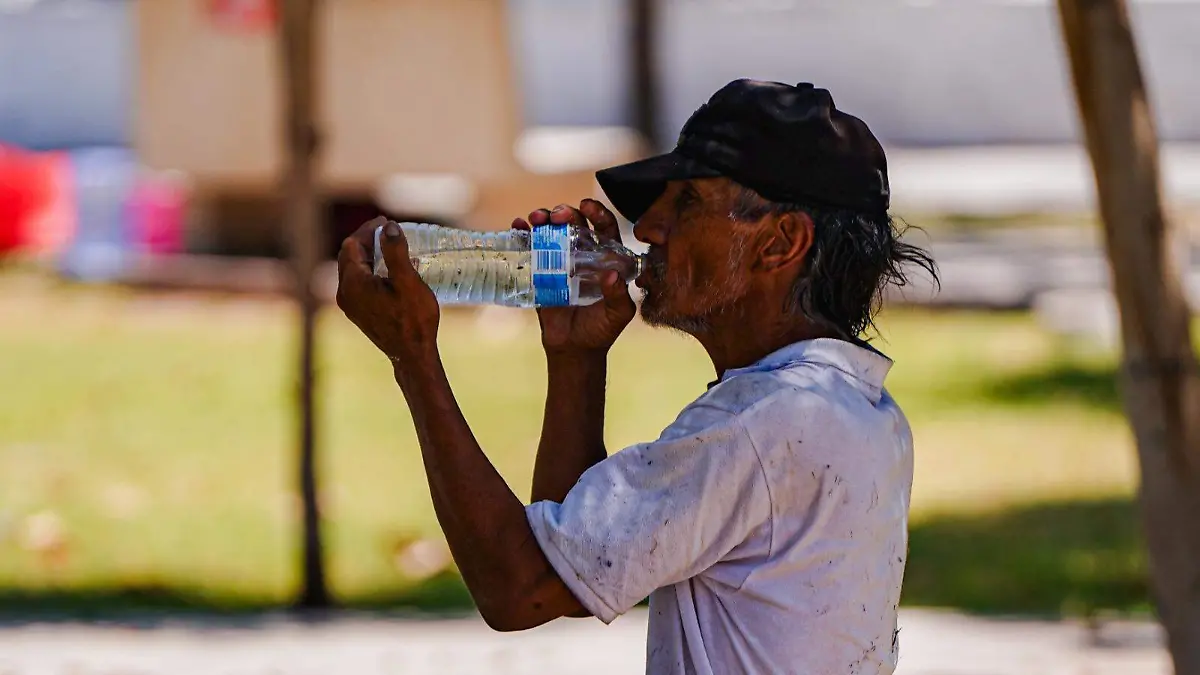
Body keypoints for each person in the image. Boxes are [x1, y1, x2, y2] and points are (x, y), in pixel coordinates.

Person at [336, 79, 937, 674]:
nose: (647, 229)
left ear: (781, 242)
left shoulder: (762, 422)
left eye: (688, 202)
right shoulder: (857, 408)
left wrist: (413, 357)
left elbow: (518, 588)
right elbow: (571, 564)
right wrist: (577, 358)